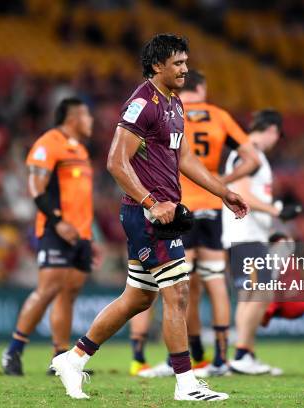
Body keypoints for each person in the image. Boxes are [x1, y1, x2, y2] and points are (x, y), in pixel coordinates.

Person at [50, 34, 249, 401]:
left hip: (159, 213)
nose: (185, 69)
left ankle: (74, 359)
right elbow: (115, 161)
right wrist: (150, 202)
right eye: (178, 63)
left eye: (186, 63)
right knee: (177, 292)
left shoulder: (174, 102)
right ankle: (186, 385)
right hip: (147, 215)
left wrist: (223, 191)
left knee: (138, 298)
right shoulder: (143, 102)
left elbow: (185, 158)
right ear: (157, 65)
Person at [129, 69, 260, 378]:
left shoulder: (171, 111)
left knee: (175, 284)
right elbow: (252, 159)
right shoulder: (219, 116)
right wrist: (222, 183)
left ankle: (177, 357)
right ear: (204, 88)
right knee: (215, 281)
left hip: (177, 206)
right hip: (214, 206)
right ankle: (221, 358)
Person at [1, 97, 98, 376]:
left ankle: (60, 359)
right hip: (57, 230)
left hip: (82, 234)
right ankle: (12, 352)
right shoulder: (49, 142)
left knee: (69, 294)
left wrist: (90, 238)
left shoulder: (80, 149)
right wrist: (57, 221)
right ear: (73, 118)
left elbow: (80, 198)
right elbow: (35, 186)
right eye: (86, 116)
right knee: (47, 290)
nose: (91, 121)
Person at [222, 109, 297, 375]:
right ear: (272, 130)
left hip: (250, 234)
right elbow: (240, 193)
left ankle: (245, 354)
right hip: (245, 234)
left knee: (248, 295)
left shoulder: (252, 154)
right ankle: (242, 354)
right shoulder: (248, 152)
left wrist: (271, 226)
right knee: (261, 291)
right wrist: (276, 211)